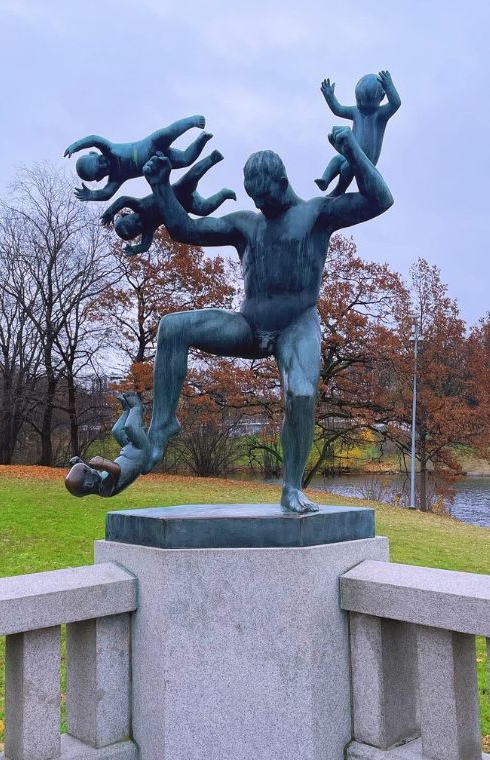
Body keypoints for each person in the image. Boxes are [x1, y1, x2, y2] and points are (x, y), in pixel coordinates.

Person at [139, 125, 393, 512]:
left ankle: (291, 488)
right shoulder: (246, 224)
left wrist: (353, 150)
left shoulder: (317, 213)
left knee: (302, 394)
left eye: (265, 196)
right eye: (254, 198)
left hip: (297, 324)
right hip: (249, 325)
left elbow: (381, 200)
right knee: (173, 327)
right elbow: (184, 229)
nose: (260, 205)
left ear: (283, 182)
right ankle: (160, 428)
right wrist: (160, 186)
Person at [97, 150, 236, 255]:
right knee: (204, 209)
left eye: (134, 221)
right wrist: (134, 249)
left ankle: (212, 158)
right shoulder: (149, 229)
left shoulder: (139, 205)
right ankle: (224, 194)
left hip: (177, 191)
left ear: (127, 215)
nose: (139, 223)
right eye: (137, 228)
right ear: (139, 232)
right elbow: (145, 246)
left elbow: (122, 200)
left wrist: (110, 211)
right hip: (185, 206)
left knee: (192, 177)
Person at [64, 115, 211, 202]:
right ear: (99, 178)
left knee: (168, 133)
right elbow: (107, 193)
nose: (105, 165)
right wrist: (92, 194)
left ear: (95, 154)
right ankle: (202, 139)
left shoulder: (110, 149)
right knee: (185, 159)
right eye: (101, 171)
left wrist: (76, 146)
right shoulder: (117, 177)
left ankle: (191, 122)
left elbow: (94, 139)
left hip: (150, 144)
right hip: (159, 161)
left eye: (100, 162)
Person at [315, 71, 401, 196]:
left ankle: (339, 189)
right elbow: (338, 110)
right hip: (351, 152)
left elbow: (396, 103)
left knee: (346, 167)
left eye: (366, 102)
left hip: (367, 158)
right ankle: (325, 180)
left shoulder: (380, 115)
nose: (361, 105)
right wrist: (330, 96)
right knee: (337, 159)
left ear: (381, 98)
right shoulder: (356, 112)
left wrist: (389, 86)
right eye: (359, 101)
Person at [65, 392, 151, 498]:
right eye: (90, 471)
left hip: (128, 449)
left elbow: (91, 473)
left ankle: (126, 411)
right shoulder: (105, 489)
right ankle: (136, 407)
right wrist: (102, 463)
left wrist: (78, 464)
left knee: (116, 431)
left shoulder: (96, 481)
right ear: (90, 485)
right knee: (130, 427)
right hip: (140, 452)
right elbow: (115, 470)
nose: (93, 470)